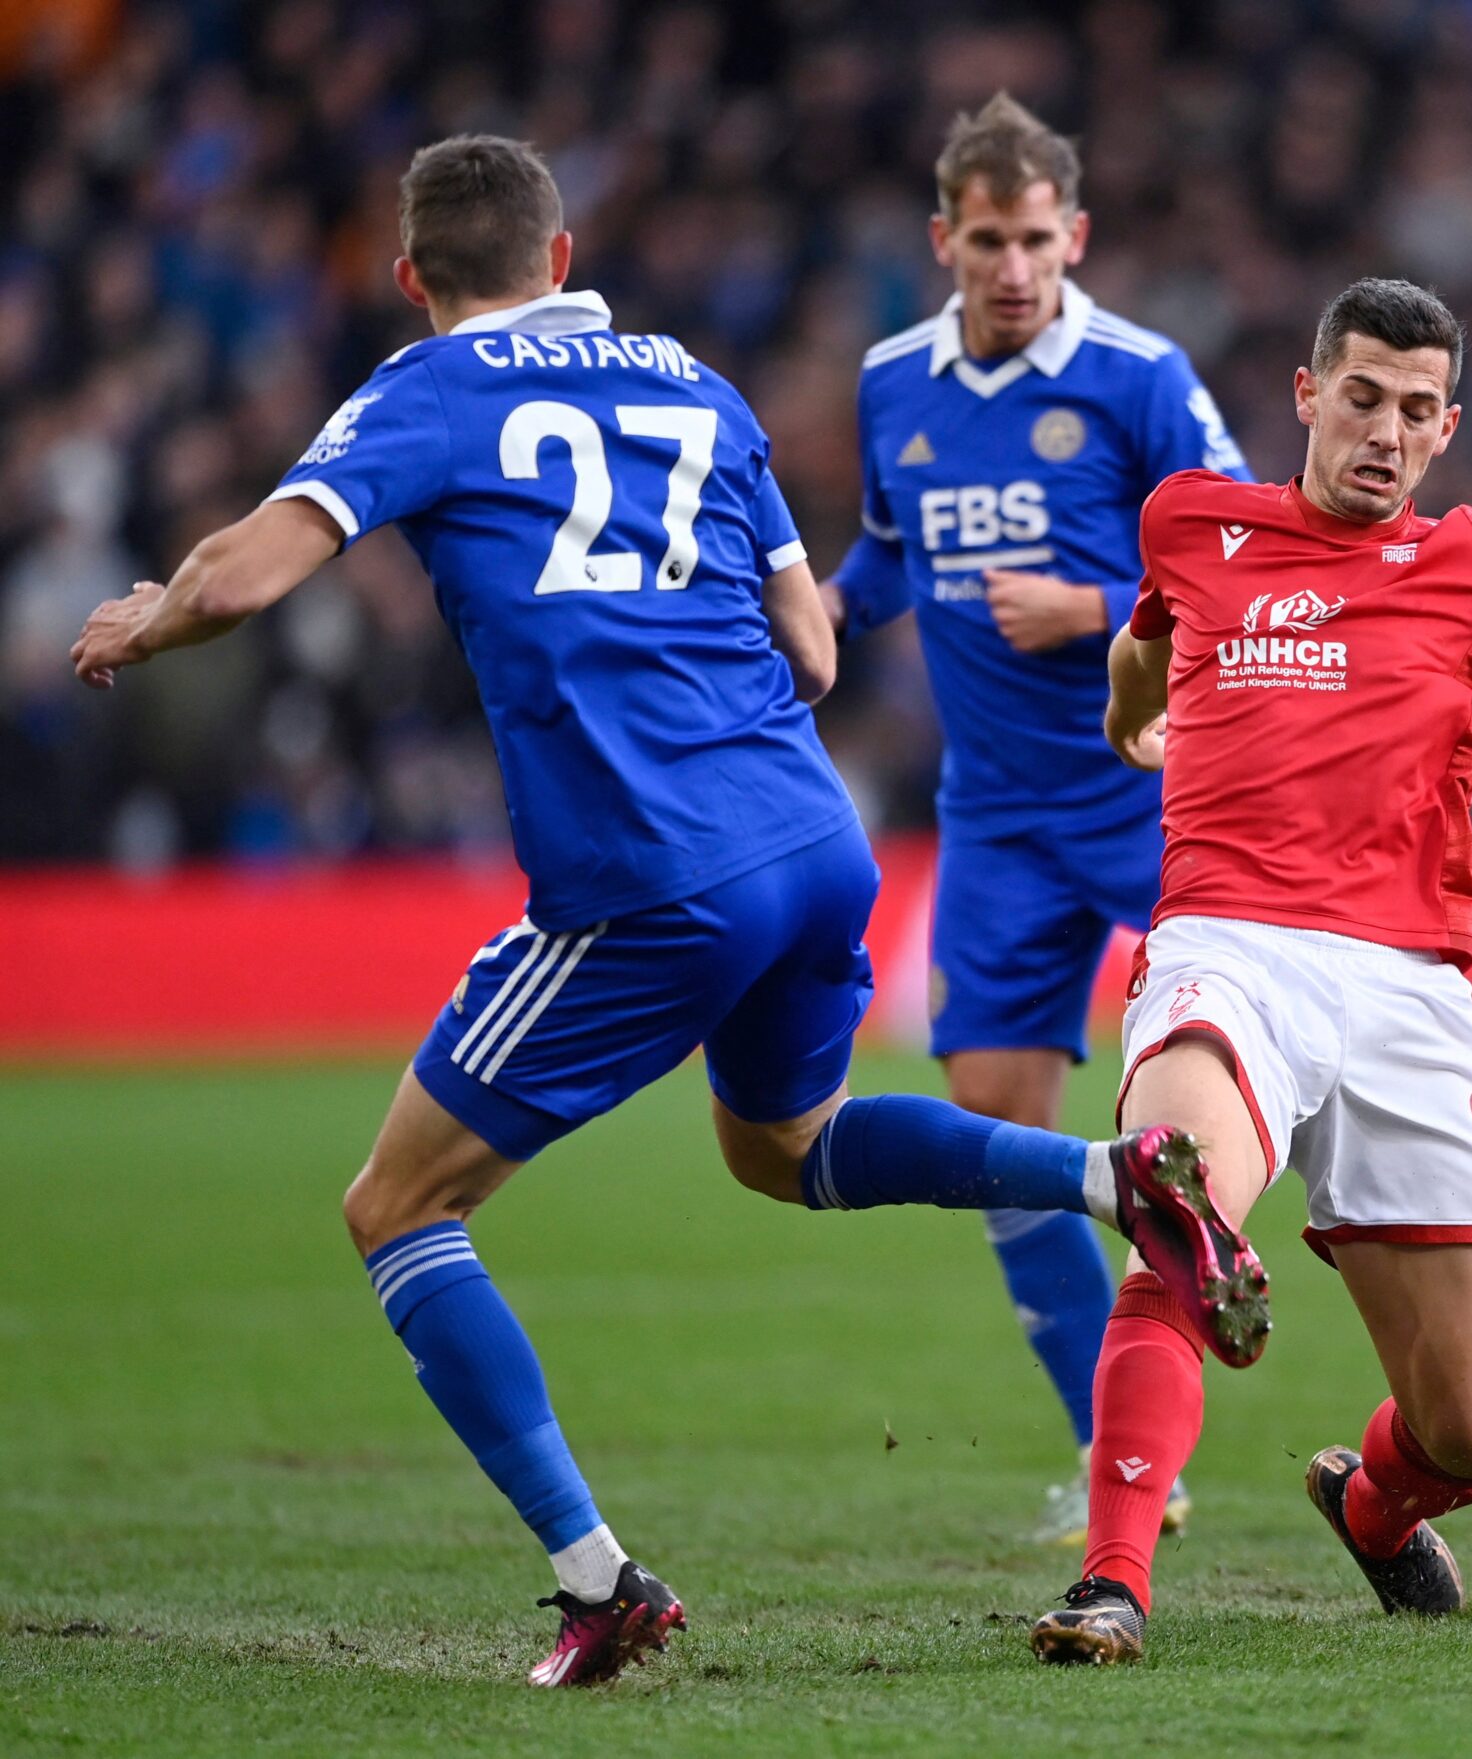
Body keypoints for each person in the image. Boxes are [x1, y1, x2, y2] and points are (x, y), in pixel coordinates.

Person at [67, 135, 1266, 1690]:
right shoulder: (696, 383)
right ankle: (1113, 1174)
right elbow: (816, 655)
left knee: (397, 1208)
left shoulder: (426, 388)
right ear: (563, 259)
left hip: (642, 874)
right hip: (812, 839)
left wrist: (143, 621)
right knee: (787, 1150)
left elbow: (244, 575)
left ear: (414, 277)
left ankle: (596, 1578)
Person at [832, 98, 1472, 1546]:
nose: (1013, 264)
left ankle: (1469, 1325)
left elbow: (1262, 543)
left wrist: (1095, 612)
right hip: (994, 816)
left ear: (1075, 237)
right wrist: (816, 619)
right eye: (987, 239)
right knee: (999, 1123)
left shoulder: (1137, 376)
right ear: (945, 242)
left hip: (1160, 787)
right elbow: (882, 547)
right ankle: (1120, 1467)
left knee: (1228, 1076)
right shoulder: (887, 386)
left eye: (1037, 237)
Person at [1029, 281, 1472, 1665]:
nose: (1386, 432)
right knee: (1180, 1199)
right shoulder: (1196, 518)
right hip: (1229, 947)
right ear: (1307, 395)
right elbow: (1148, 639)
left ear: (1447, 426)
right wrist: (1133, 719)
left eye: (1418, 411)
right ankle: (1112, 1585)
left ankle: (1374, 1502)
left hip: (1411, 989)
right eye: (1362, 397)